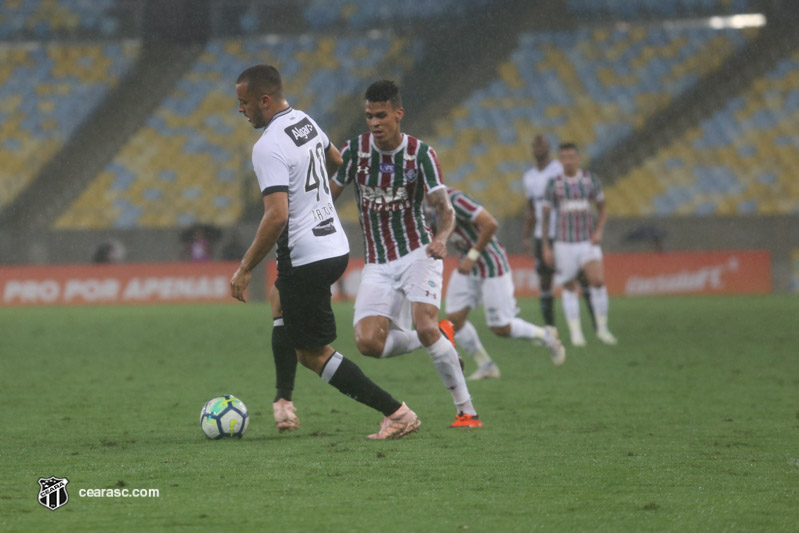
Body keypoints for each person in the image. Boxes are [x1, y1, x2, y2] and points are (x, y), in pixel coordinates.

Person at [230, 64, 420, 440]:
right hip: (334, 246)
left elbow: (277, 215)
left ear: (264, 100)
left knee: (312, 354)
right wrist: (321, 204)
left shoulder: (267, 147)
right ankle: (283, 401)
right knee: (279, 299)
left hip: (306, 255)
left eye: (244, 102)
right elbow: (338, 161)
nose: (241, 110)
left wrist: (245, 267)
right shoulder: (304, 121)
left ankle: (397, 413)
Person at [330, 80, 481, 428]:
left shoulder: (421, 155)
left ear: (398, 114)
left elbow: (445, 209)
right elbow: (327, 196)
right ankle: (440, 334)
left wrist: (442, 238)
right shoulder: (354, 152)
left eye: (381, 115)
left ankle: (467, 412)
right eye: (369, 116)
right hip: (378, 262)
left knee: (424, 324)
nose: (374, 123)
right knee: (368, 343)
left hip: (418, 251)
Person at [438, 187, 565, 380]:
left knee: (501, 328)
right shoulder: (424, 207)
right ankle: (486, 365)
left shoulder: (455, 199)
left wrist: (472, 255)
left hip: (491, 265)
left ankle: (545, 336)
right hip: (467, 267)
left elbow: (490, 223)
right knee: (454, 319)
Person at [541, 143, 617, 346]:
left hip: (587, 241)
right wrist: (546, 246)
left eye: (571, 156)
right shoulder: (554, 184)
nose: (567, 160)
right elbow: (546, 216)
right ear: (560, 160)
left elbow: (603, 209)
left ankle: (602, 329)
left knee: (598, 281)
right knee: (568, 286)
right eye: (563, 157)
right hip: (564, 243)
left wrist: (599, 231)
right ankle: (576, 334)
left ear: (578, 158)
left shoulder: (590, 180)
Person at [522, 135, 595, 334]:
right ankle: (550, 330)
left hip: (565, 233)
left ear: (548, 147)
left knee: (581, 277)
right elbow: (531, 209)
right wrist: (527, 235)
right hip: (541, 235)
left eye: (541, 144)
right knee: (545, 280)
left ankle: (597, 325)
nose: (537, 148)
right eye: (534, 145)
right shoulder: (529, 177)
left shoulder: (558, 171)